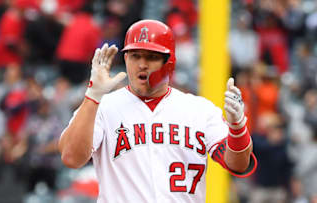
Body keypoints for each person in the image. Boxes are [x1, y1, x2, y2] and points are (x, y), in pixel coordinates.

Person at [59, 19, 257, 202]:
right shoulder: (102, 107)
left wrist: (238, 128)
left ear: (169, 62)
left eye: (151, 57)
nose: (142, 65)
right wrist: (93, 96)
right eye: (135, 56)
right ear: (126, 58)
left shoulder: (200, 110)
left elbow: (237, 164)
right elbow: (71, 157)